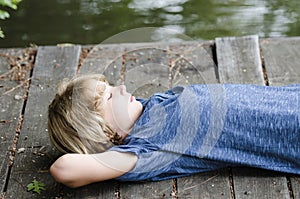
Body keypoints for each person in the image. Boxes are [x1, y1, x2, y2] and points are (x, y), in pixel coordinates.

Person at [48, 74, 300, 188]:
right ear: (102, 130)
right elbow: (64, 169)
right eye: (110, 96)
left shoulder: (147, 108)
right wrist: (103, 147)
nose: (122, 87)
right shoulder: (150, 147)